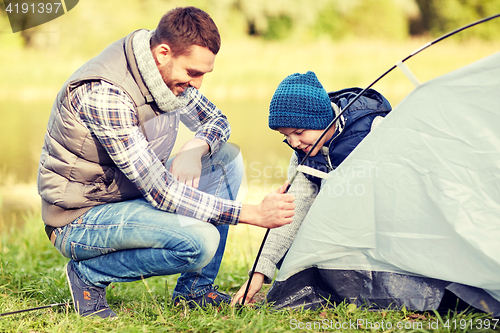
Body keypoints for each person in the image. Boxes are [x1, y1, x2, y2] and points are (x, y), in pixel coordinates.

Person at [37, 6, 295, 318]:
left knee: (226, 160)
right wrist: (253, 213)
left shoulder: (168, 74)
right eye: (194, 73)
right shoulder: (108, 94)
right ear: (163, 52)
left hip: (129, 197)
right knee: (201, 242)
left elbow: (217, 121)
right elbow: (162, 192)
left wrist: (194, 148)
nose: (197, 84)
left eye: (203, 73)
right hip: (79, 219)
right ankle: (88, 276)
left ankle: (194, 291)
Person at [231, 71, 391, 305]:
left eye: (298, 132)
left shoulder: (374, 129)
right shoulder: (303, 156)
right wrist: (259, 273)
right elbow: (290, 212)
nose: (294, 143)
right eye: (286, 136)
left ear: (323, 120)